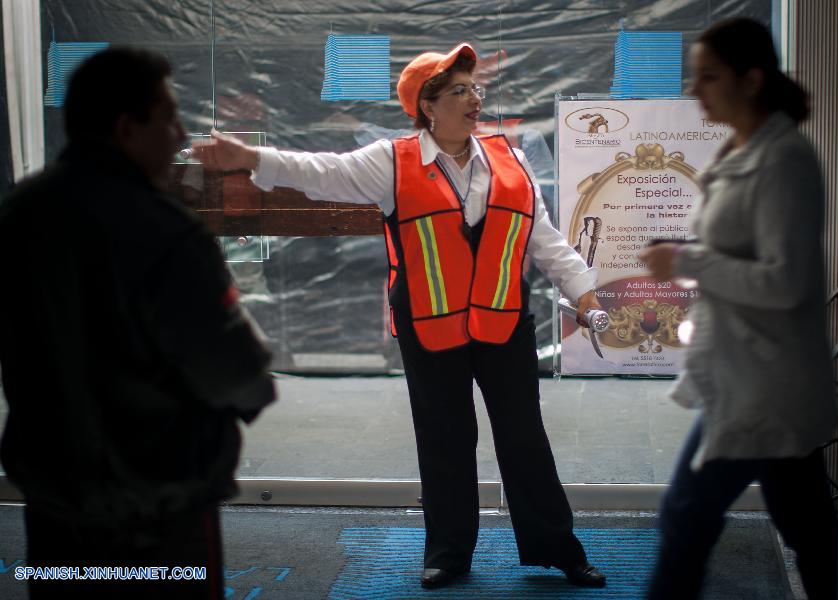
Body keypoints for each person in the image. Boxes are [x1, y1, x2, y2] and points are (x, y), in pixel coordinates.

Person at [192, 43, 607, 589]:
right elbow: (324, 173)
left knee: (525, 437)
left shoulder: (512, 159)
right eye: (459, 90)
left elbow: (545, 240)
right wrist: (250, 159)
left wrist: (585, 294)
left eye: (475, 87)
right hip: (429, 327)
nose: (473, 98)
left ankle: (558, 549)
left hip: (503, 322)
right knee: (443, 440)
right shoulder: (391, 160)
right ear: (427, 105)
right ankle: (448, 553)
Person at [0, 48, 276, 599]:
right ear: (127, 129)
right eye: (169, 118)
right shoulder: (164, 231)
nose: (180, 136)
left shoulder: (18, 215)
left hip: (55, 502)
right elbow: (236, 370)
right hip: (159, 506)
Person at [638, 18, 838, 600]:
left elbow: (787, 283)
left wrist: (687, 261)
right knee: (810, 530)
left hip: (762, 383)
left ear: (751, 80)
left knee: (685, 515)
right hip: (754, 376)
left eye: (708, 77)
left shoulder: (784, 162)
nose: (693, 90)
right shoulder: (745, 148)